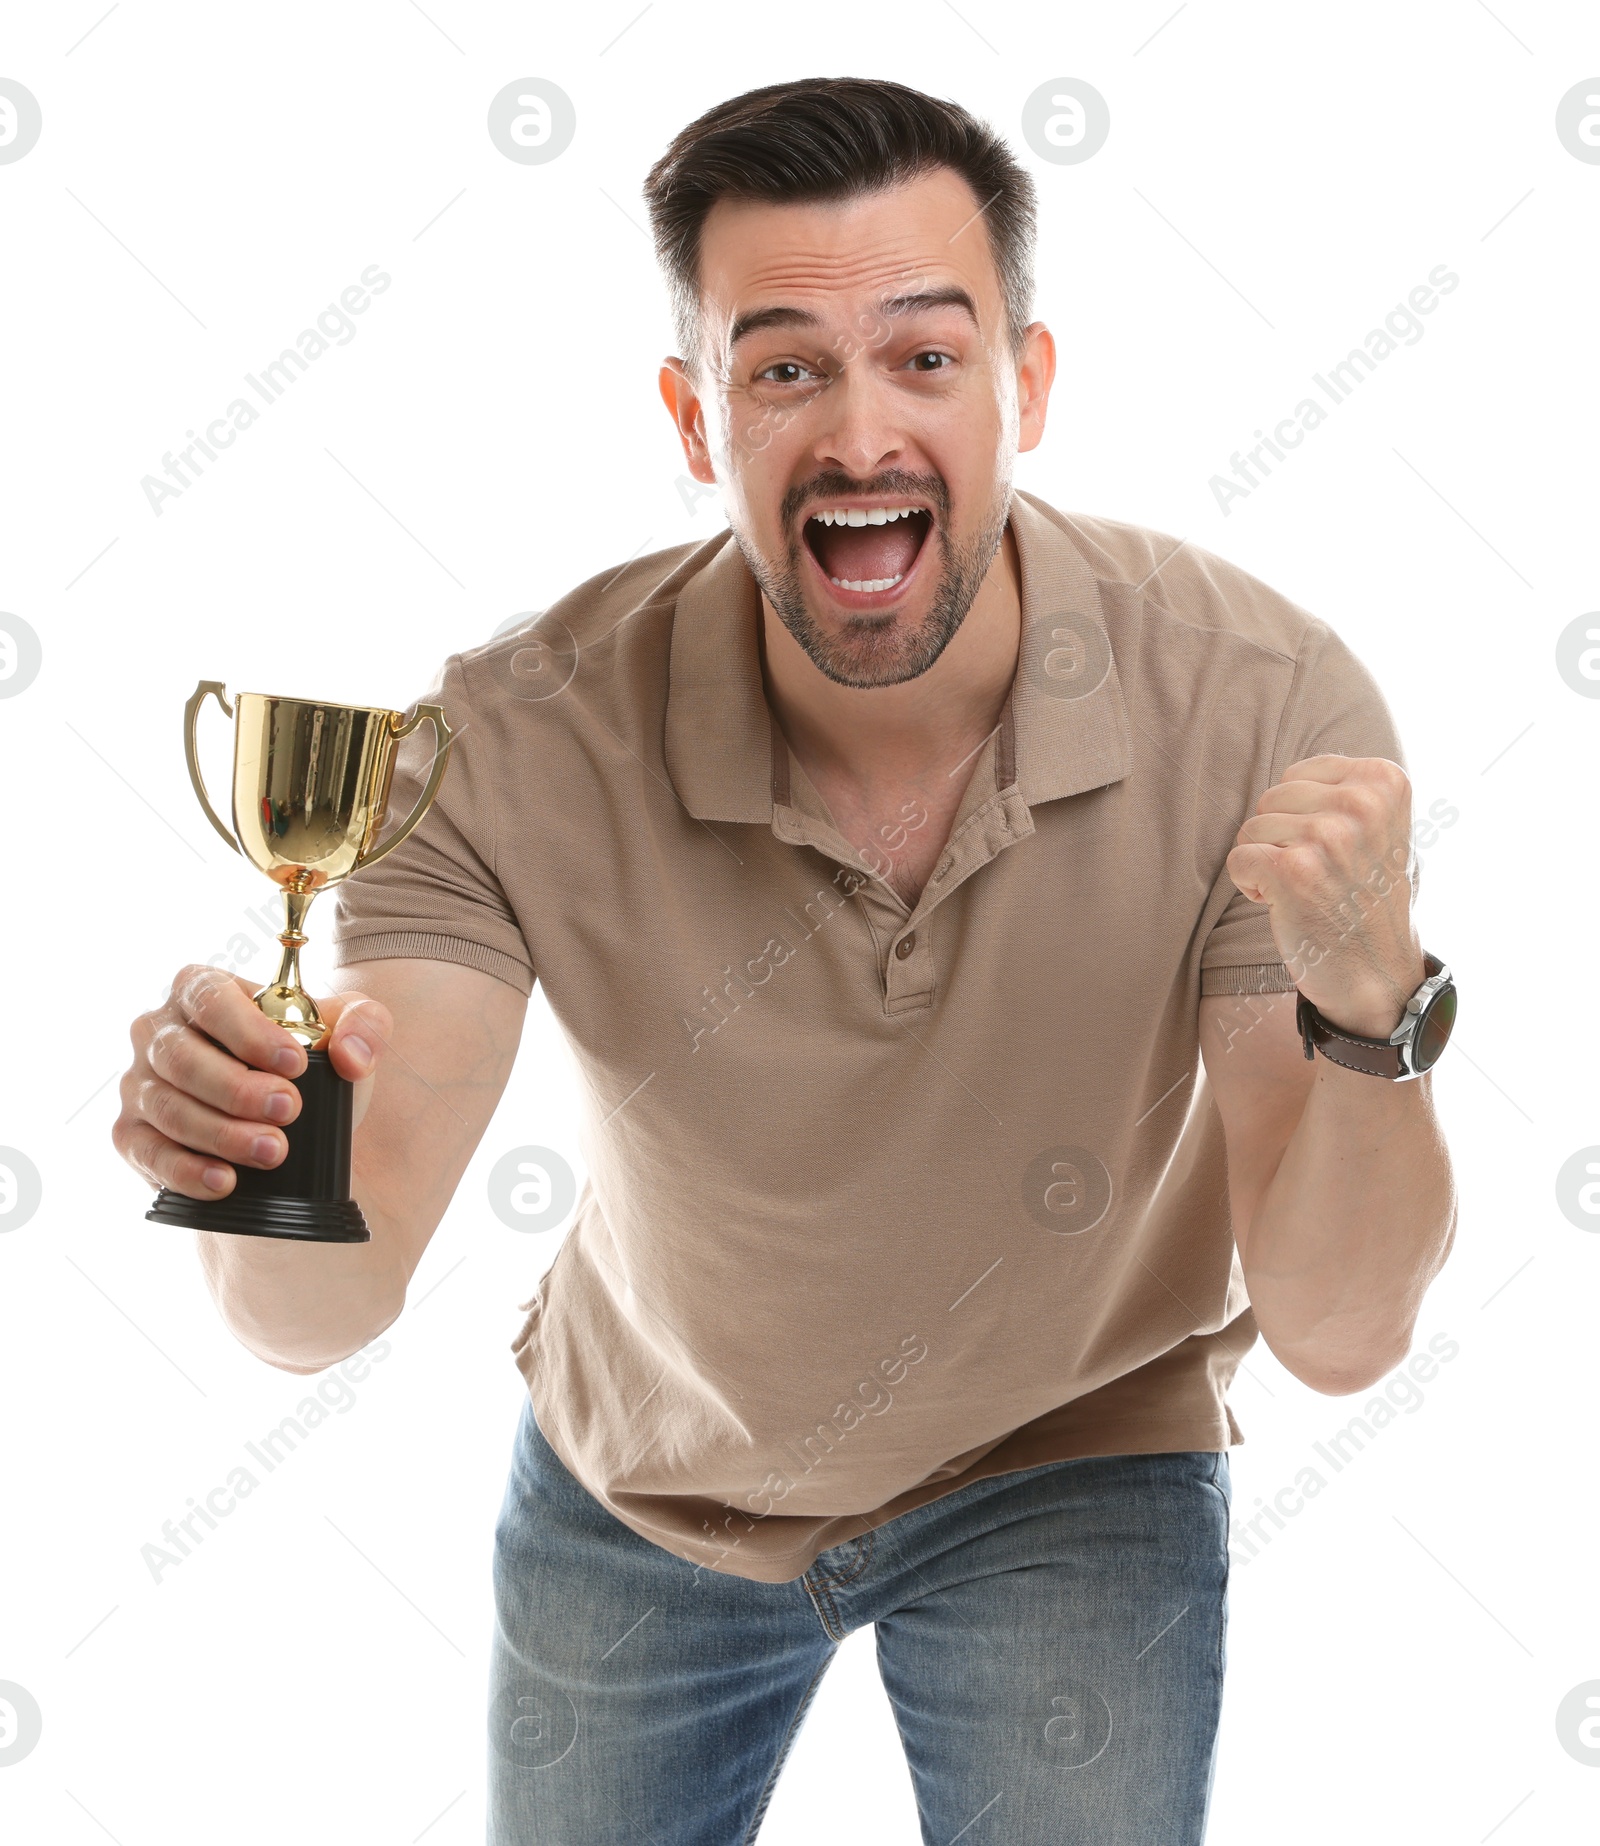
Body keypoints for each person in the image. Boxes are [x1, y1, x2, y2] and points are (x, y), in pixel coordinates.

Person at [114, 77, 1459, 1846]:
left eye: (925, 356)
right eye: (783, 368)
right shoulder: (510, 740)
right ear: (695, 415)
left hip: (1076, 1448)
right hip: (648, 1473)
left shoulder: (1262, 707)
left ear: (1024, 388)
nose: (860, 434)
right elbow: (321, 1312)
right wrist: (250, 1148)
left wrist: (1373, 1012)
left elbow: (1347, 1335)